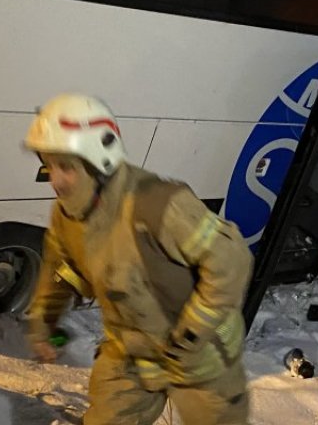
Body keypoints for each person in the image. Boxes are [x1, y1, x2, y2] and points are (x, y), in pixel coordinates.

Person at [23, 93, 253, 425]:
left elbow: (231, 261)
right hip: (132, 353)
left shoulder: (160, 204)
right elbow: (60, 270)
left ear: (99, 161)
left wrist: (192, 333)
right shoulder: (67, 217)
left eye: (66, 167)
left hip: (202, 354)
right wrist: (43, 323)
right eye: (49, 165)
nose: (55, 181)